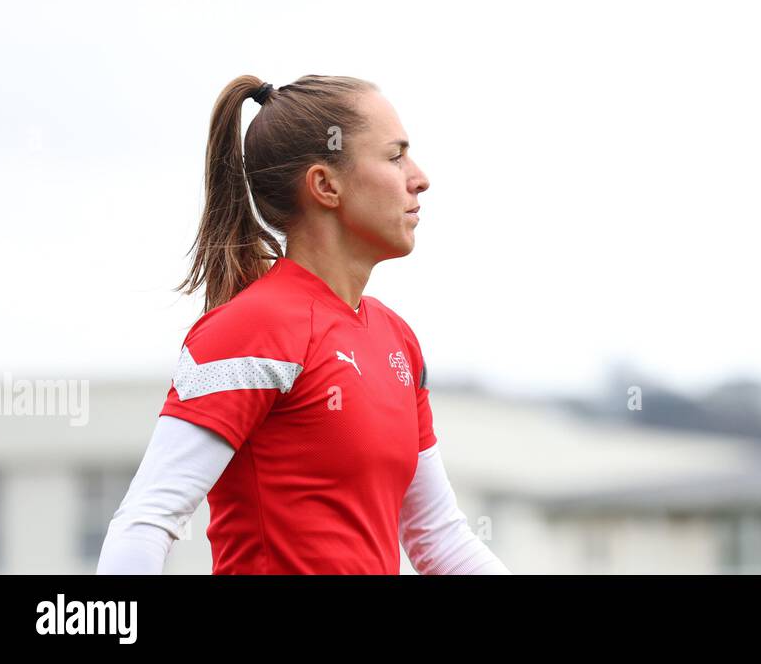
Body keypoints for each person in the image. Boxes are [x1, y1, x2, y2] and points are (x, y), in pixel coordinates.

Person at [97, 75, 510, 575]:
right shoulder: (252, 328)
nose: (419, 177)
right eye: (395, 156)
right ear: (325, 186)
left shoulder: (397, 339)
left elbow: (441, 539)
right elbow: (146, 520)